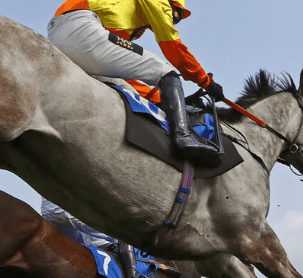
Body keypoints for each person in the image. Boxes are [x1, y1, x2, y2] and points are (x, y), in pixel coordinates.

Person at [47, 0, 224, 164]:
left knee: (129, 94)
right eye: (174, 14)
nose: (171, 19)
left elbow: (122, 73)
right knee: (167, 72)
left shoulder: (126, 20)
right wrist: (206, 81)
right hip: (81, 28)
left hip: (61, 36)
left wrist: (160, 99)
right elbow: (172, 45)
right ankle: (183, 136)